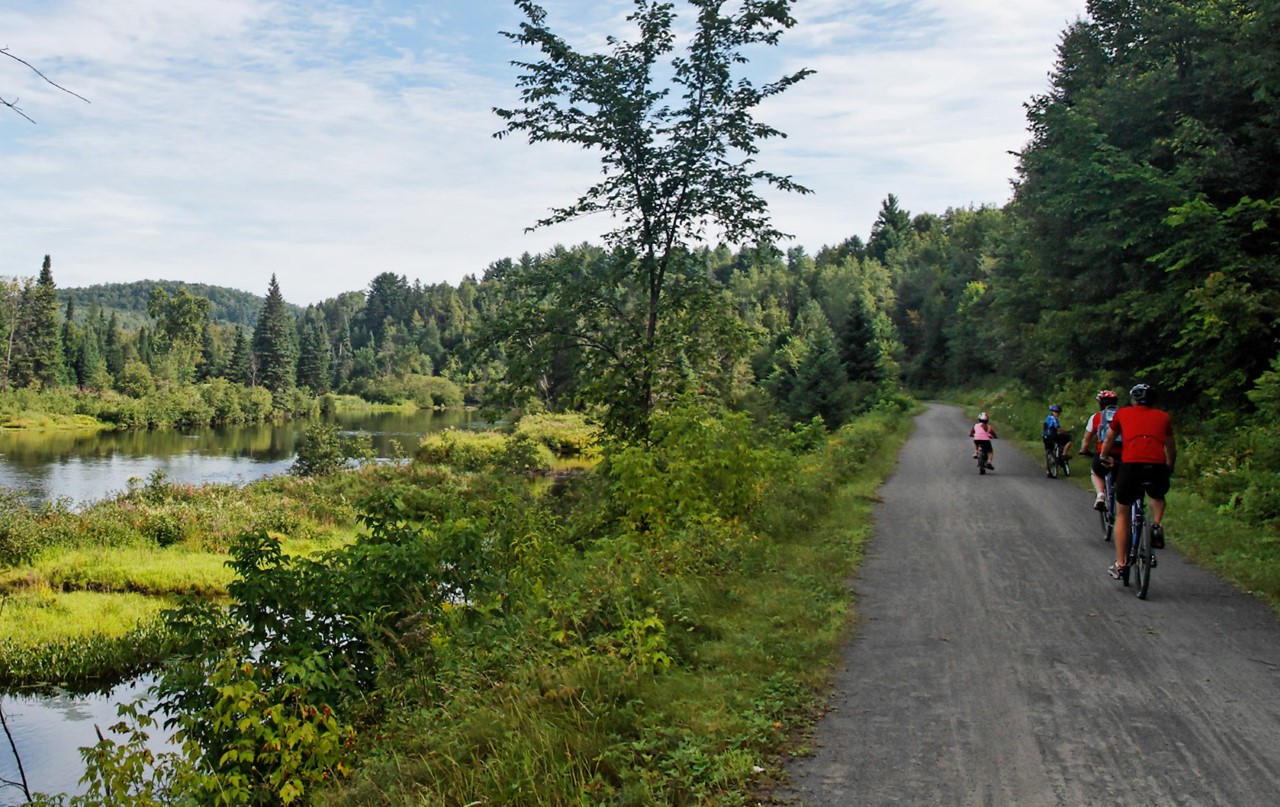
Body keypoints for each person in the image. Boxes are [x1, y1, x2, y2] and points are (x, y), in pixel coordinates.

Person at [1100, 383, 1176, 580]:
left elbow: (1109, 439)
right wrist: (1169, 465)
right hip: (1156, 466)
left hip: (1131, 465)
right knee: (1157, 495)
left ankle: (1121, 564)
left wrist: (1104, 456)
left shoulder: (1123, 414)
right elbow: (1171, 446)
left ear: (1133, 400)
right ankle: (1157, 524)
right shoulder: (1164, 417)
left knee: (1123, 513)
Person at [1078, 390, 1121, 511]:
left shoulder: (1096, 417)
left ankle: (1100, 495)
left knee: (1096, 472)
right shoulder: (1123, 416)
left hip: (1102, 453)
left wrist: (1084, 450)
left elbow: (1086, 439)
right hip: (1121, 455)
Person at [1042, 403, 1073, 477]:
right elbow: (1058, 428)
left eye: (1058, 412)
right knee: (1068, 439)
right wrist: (1066, 432)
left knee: (1048, 452)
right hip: (1052, 436)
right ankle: (1064, 454)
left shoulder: (1047, 418)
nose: (1057, 414)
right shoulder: (1054, 419)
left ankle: (1048, 471)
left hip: (1045, 437)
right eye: (1056, 412)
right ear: (1052, 412)